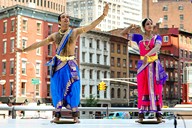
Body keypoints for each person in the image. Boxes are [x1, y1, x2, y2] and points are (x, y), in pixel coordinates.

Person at [15, 4, 109, 123]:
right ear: (59, 22)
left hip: (71, 64)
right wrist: (24, 50)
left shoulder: (74, 32)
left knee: (74, 88)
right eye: (63, 17)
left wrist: (103, 15)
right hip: (59, 65)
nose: (66, 18)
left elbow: (90, 26)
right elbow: (40, 43)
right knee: (57, 89)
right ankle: (57, 115)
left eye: (67, 17)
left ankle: (75, 116)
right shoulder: (54, 36)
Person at [120, 18, 167, 122]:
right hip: (143, 66)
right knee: (142, 89)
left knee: (156, 89)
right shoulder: (139, 37)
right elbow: (122, 34)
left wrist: (147, 55)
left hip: (154, 66)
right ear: (144, 26)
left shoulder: (156, 37)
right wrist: (129, 27)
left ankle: (158, 115)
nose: (150, 25)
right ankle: (141, 116)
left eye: (151, 23)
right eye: (147, 24)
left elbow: (157, 48)